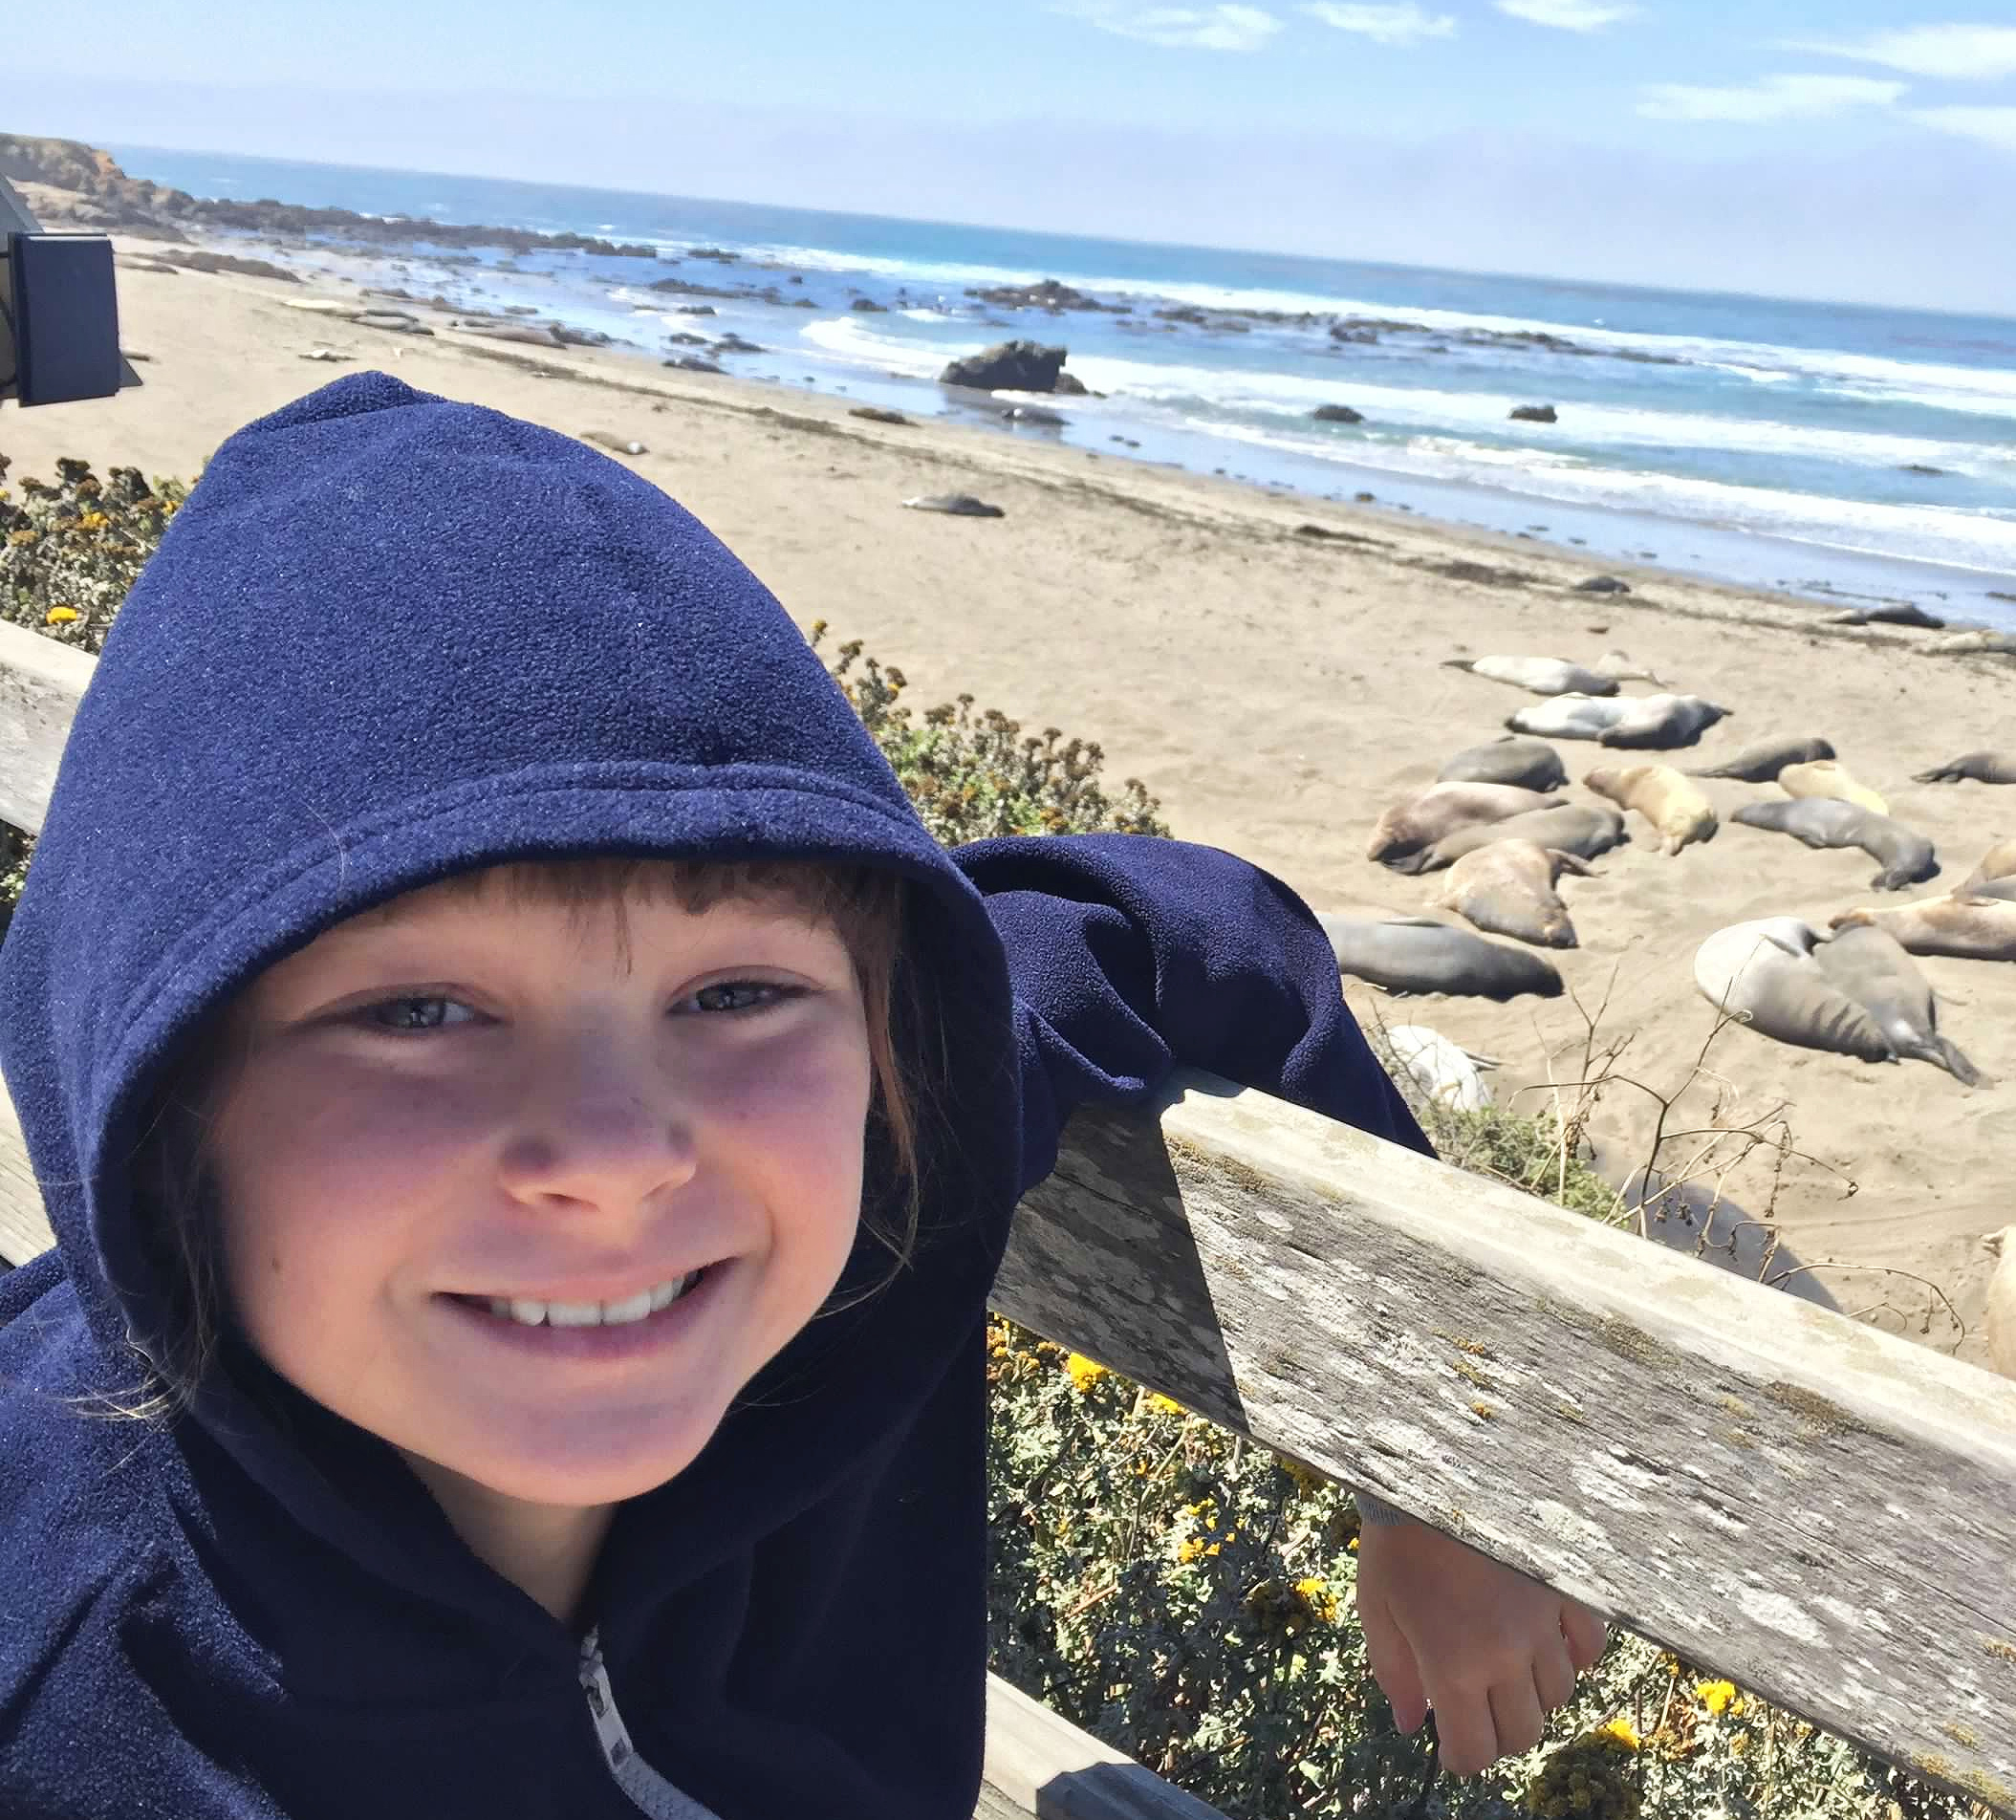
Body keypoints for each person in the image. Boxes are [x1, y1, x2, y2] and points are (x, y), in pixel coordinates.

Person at [0, 374, 1604, 1816]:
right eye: (419, 1011)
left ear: (890, 1033)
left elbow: (1185, 930)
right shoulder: (72, 1686)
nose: (622, 1158)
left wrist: (1430, 1485)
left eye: (736, 992)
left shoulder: (887, 1184)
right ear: (160, 1098)